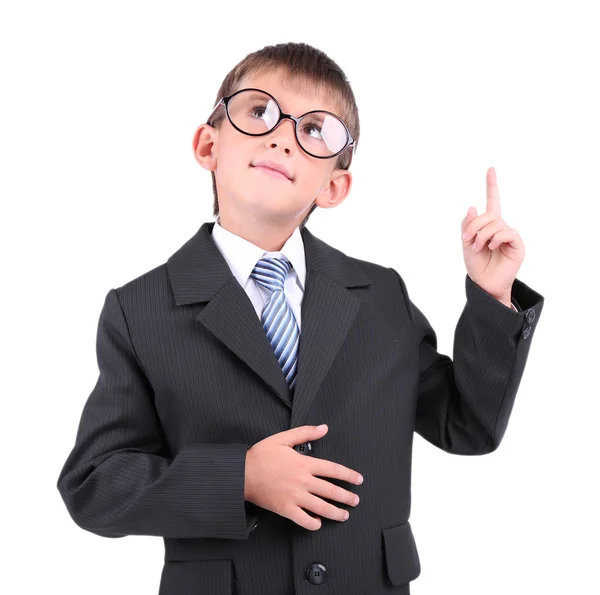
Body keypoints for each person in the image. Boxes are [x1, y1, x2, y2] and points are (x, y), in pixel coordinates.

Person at [56, 41, 545, 595]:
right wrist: (238, 478)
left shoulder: (380, 295)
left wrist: (492, 297)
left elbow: (467, 425)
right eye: (259, 111)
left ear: (334, 186)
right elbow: (96, 485)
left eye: (314, 130)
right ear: (207, 144)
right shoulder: (141, 309)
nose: (282, 135)